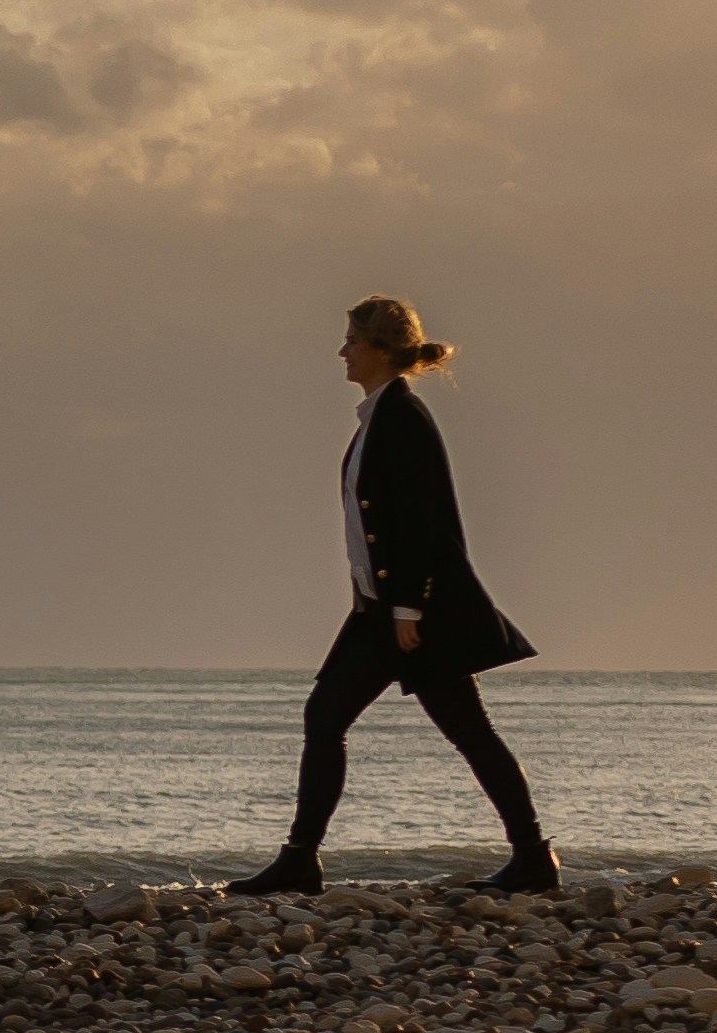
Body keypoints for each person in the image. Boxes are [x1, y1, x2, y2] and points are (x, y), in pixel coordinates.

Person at [231, 294, 553, 898]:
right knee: (329, 718)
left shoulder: (403, 418)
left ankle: (533, 859)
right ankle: (300, 861)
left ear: (380, 349)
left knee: (459, 730)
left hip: (410, 615)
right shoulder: (378, 416)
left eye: (351, 341)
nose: (342, 352)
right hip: (378, 611)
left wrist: (409, 605)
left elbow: (427, 520)